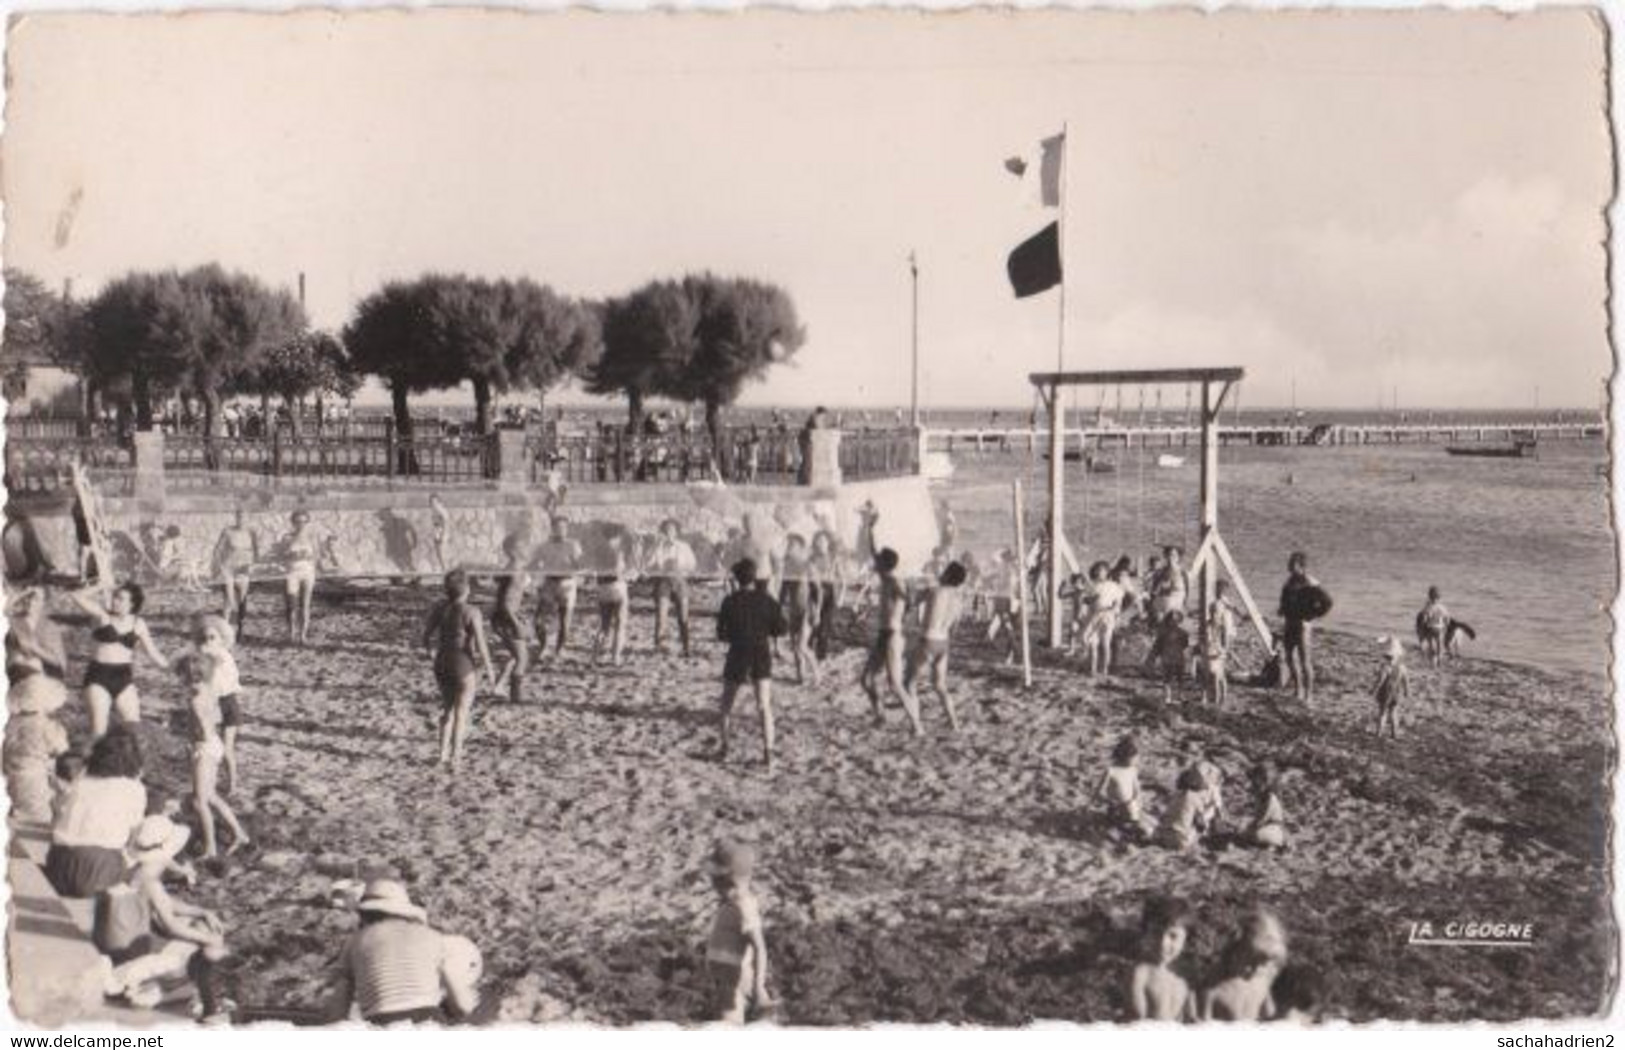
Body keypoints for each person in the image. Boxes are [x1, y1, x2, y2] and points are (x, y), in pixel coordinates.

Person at [98, 815, 232, 1019]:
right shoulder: (149, 880)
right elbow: (171, 926)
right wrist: (210, 939)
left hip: (115, 929)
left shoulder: (135, 868)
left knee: (195, 936)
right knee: (193, 951)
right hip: (126, 944)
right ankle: (148, 986)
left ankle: (152, 988)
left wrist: (201, 912)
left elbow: (165, 903)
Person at [325, 879, 483, 1025]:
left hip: (380, 1023)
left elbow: (337, 1015)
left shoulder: (355, 942)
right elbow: (463, 1006)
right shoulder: (433, 937)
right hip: (429, 1020)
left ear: (365, 914)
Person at [45, 729, 149, 898]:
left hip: (58, 865)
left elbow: (59, 815)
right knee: (150, 859)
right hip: (98, 869)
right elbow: (133, 838)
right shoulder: (134, 788)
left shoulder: (82, 779)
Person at [714, 560, 788, 771]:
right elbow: (782, 629)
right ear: (755, 577)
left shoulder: (729, 601)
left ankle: (725, 749)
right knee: (764, 706)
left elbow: (721, 634)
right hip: (760, 652)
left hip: (738, 652)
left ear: (736, 579)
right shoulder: (767, 600)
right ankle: (768, 754)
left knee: (726, 706)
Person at [70, 582, 170, 738]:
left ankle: (126, 761)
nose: (115, 601)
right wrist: (101, 584)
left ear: (132, 604)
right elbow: (76, 596)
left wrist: (171, 667)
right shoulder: (102, 616)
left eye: (120, 598)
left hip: (123, 677)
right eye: (115, 596)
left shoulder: (138, 623)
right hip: (98, 677)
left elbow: (153, 653)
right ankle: (95, 760)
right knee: (98, 731)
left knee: (133, 729)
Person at [180, 651, 249, 861]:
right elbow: (218, 717)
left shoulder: (195, 699)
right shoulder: (210, 690)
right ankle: (240, 834)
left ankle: (210, 848)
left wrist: (194, 743)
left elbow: (203, 729)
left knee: (200, 802)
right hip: (215, 746)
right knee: (210, 797)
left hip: (205, 748)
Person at [423, 571, 494, 770]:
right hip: (462, 663)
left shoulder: (439, 608)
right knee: (462, 714)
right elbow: (482, 646)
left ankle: (441, 756)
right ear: (468, 589)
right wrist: (491, 671)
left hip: (442, 663)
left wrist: (431, 654)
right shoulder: (472, 612)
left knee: (447, 711)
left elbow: (425, 638)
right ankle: (456, 759)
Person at [706, 840, 772, 1023]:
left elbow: (759, 947)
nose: (715, 888)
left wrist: (759, 987)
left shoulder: (744, 906)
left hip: (734, 979)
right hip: (724, 978)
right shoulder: (732, 903)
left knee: (729, 1024)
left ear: (729, 881)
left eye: (717, 883)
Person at [859, 548, 923, 736]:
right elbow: (872, 550)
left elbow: (908, 596)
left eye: (878, 561)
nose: (874, 563)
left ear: (884, 565)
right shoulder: (886, 578)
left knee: (895, 684)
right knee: (867, 679)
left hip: (894, 636)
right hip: (883, 635)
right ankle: (881, 716)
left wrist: (908, 600)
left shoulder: (894, 581)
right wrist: (870, 528)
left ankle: (917, 726)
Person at [903, 561, 968, 731]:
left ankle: (917, 728)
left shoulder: (934, 590)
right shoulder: (958, 598)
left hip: (928, 640)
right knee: (940, 685)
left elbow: (911, 603)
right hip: (943, 643)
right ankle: (954, 723)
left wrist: (910, 587)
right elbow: (955, 626)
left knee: (909, 684)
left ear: (947, 574)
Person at [5, 660, 71, 823]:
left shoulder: (11, 723)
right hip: (35, 778)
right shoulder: (49, 727)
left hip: (11, 776)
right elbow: (61, 749)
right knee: (41, 817)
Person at [1201, 909, 1289, 1021]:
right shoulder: (1213, 988)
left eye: (1262, 965)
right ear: (1234, 952)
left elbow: (1270, 1018)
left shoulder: (1261, 983)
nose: (1254, 970)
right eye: (1250, 963)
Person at [196, 615, 245, 797]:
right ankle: (212, 780)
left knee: (227, 748)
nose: (208, 641)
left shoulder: (224, 656)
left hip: (227, 702)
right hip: (210, 703)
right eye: (205, 638)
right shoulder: (202, 656)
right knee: (209, 745)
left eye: (212, 637)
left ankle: (232, 784)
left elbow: (226, 682)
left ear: (221, 639)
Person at [1129, 896, 1196, 1021]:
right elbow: (1138, 1025)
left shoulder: (1182, 981)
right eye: (1156, 933)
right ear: (1146, 934)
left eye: (1173, 936)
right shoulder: (1141, 973)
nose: (1163, 943)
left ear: (1185, 940)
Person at [1278, 552, 1328, 703]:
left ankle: (1309, 694)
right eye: (1289, 563)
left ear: (1301, 566)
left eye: (1292, 564)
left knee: (1305, 660)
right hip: (1289, 622)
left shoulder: (1310, 582)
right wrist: (1282, 609)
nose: (1289, 567)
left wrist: (1312, 615)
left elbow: (1327, 602)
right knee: (1289, 657)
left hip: (1303, 625)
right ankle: (1298, 689)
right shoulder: (1289, 581)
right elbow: (1284, 599)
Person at [534, 517, 584, 661]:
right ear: (552, 528)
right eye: (557, 527)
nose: (560, 530)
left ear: (567, 529)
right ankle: (543, 646)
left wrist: (577, 566)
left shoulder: (573, 545)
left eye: (563, 527)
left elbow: (580, 565)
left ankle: (559, 650)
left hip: (567, 584)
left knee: (564, 620)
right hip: (549, 582)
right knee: (539, 619)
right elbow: (535, 563)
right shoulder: (544, 546)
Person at [649, 519, 697, 658]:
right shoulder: (658, 547)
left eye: (672, 529)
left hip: (680, 581)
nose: (669, 532)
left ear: (676, 532)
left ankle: (686, 646)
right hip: (663, 582)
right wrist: (656, 547)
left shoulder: (684, 546)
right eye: (666, 530)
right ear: (663, 532)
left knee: (683, 616)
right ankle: (659, 646)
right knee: (661, 616)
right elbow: (648, 563)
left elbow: (693, 565)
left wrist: (682, 571)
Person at [779, 534, 820, 687]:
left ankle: (816, 673)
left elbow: (818, 591)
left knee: (801, 645)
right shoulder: (787, 566)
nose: (789, 548)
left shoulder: (807, 566)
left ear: (800, 548)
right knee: (795, 646)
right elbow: (783, 590)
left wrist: (818, 612)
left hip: (807, 610)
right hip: (793, 610)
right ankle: (801, 676)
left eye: (792, 545)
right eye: (788, 545)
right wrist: (779, 608)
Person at [276, 510, 322, 646]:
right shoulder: (287, 538)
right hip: (292, 573)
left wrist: (308, 557)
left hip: (308, 572)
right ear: (293, 523)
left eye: (303, 521)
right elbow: (280, 556)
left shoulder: (312, 538)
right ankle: (291, 635)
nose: (300, 524)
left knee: (305, 605)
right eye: (297, 522)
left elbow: (318, 556)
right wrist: (290, 555)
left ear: (307, 523)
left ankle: (303, 636)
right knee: (291, 606)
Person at [490, 559, 531, 705]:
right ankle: (516, 696)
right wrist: (516, 624)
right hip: (506, 619)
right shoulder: (514, 574)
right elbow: (506, 605)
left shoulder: (511, 568)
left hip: (503, 618)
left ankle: (499, 686)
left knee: (515, 656)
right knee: (521, 658)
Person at [591, 530, 634, 668]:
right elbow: (620, 573)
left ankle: (594, 657)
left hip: (602, 589)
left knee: (604, 626)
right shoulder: (618, 552)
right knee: (620, 624)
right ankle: (615, 657)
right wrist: (631, 576)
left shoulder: (598, 552)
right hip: (617, 588)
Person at [212, 508, 257, 637]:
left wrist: (253, 565)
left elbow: (256, 551)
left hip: (243, 570)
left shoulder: (251, 532)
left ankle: (240, 629)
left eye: (244, 517)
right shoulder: (227, 532)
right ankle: (225, 630)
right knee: (228, 600)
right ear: (235, 517)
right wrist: (219, 567)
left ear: (248, 518)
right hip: (229, 569)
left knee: (242, 599)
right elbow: (217, 551)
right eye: (239, 516)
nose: (241, 519)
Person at [1094, 735, 1148, 839]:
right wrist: (1111, 801)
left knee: (1139, 818)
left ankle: (1134, 829)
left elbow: (1137, 791)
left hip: (1131, 807)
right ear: (1125, 756)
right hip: (1116, 807)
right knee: (1126, 822)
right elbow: (1099, 793)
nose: (1136, 761)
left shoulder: (1133, 771)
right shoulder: (1111, 771)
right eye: (1134, 758)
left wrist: (1135, 801)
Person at [1079, 560, 1123, 678]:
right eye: (1097, 571)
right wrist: (1092, 600)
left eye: (1102, 571)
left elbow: (1118, 602)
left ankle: (1104, 670)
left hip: (1107, 615)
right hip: (1093, 614)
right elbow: (1085, 600)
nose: (1100, 573)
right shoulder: (1091, 585)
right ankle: (1092, 669)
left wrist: (1116, 614)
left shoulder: (1113, 585)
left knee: (1105, 643)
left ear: (1107, 572)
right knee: (1090, 641)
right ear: (1094, 572)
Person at [807, 530, 845, 662]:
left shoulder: (834, 558)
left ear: (828, 543)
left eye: (823, 541)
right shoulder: (812, 558)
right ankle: (808, 649)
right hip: (814, 591)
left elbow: (843, 580)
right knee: (813, 624)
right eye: (818, 541)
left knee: (824, 627)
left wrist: (841, 597)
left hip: (830, 593)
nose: (821, 544)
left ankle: (820, 658)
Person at [1156, 766, 1209, 852]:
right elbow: (1200, 823)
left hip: (1162, 835)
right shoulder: (1195, 798)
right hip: (1179, 838)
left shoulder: (1175, 796)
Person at [1203, 580, 1237, 706]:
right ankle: (1215, 696)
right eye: (1217, 589)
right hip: (1214, 642)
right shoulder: (1215, 604)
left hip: (1221, 642)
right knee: (1213, 673)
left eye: (1220, 589)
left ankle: (1221, 697)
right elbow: (1210, 623)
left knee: (1219, 674)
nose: (1218, 591)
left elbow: (1226, 628)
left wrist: (1225, 647)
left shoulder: (1224, 603)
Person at [1148, 611, 1191, 704]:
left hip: (1179, 657)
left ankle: (1181, 695)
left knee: (1180, 678)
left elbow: (1185, 645)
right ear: (1168, 620)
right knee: (1167, 678)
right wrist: (1153, 657)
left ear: (1179, 621)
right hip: (1167, 658)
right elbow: (1157, 646)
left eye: (1176, 620)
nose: (1174, 622)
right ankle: (1168, 696)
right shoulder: (1163, 633)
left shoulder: (1183, 633)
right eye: (1172, 620)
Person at [1244, 761, 1288, 851]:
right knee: (1245, 827)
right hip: (1263, 825)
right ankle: (1264, 842)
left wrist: (1254, 825)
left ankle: (1272, 844)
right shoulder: (1260, 797)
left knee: (1255, 833)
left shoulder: (1270, 798)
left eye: (1260, 782)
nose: (1256, 785)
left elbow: (1263, 817)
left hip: (1272, 827)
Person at [1372, 636, 1410, 739]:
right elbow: (1406, 681)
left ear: (1386, 656)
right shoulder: (1402, 667)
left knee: (1382, 712)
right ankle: (1394, 733)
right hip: (1397, 693)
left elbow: (1381, 680)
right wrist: (1407, 692)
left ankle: (1379, 733)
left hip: (1385, 693)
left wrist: (1374, 690)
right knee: (1394, 712)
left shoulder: (1385, 667)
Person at [1416, 586, 1450, 667]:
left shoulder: (1428, 607)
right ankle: (1439, 660)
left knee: (1431, 645)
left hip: (1430, 628)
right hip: (1440, 628)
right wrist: (1445, 626)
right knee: (1439, 645)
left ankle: (1432, 661)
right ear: (1439, 597)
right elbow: (1447, 618)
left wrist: (1421, 627)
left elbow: (1424, 618)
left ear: (1429, 596)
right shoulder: (1442, 607)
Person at [428, 495, 451, 574]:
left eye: (434, 501)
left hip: (441, 531)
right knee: (438, 552)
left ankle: (446, 569)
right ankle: (443, 569)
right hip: (437, 531)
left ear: (438, 501)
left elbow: (446, 522)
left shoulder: (440, 509)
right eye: (431, 502)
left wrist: (443, 534)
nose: (432, 503)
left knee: (442, 552)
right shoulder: (434, 510)